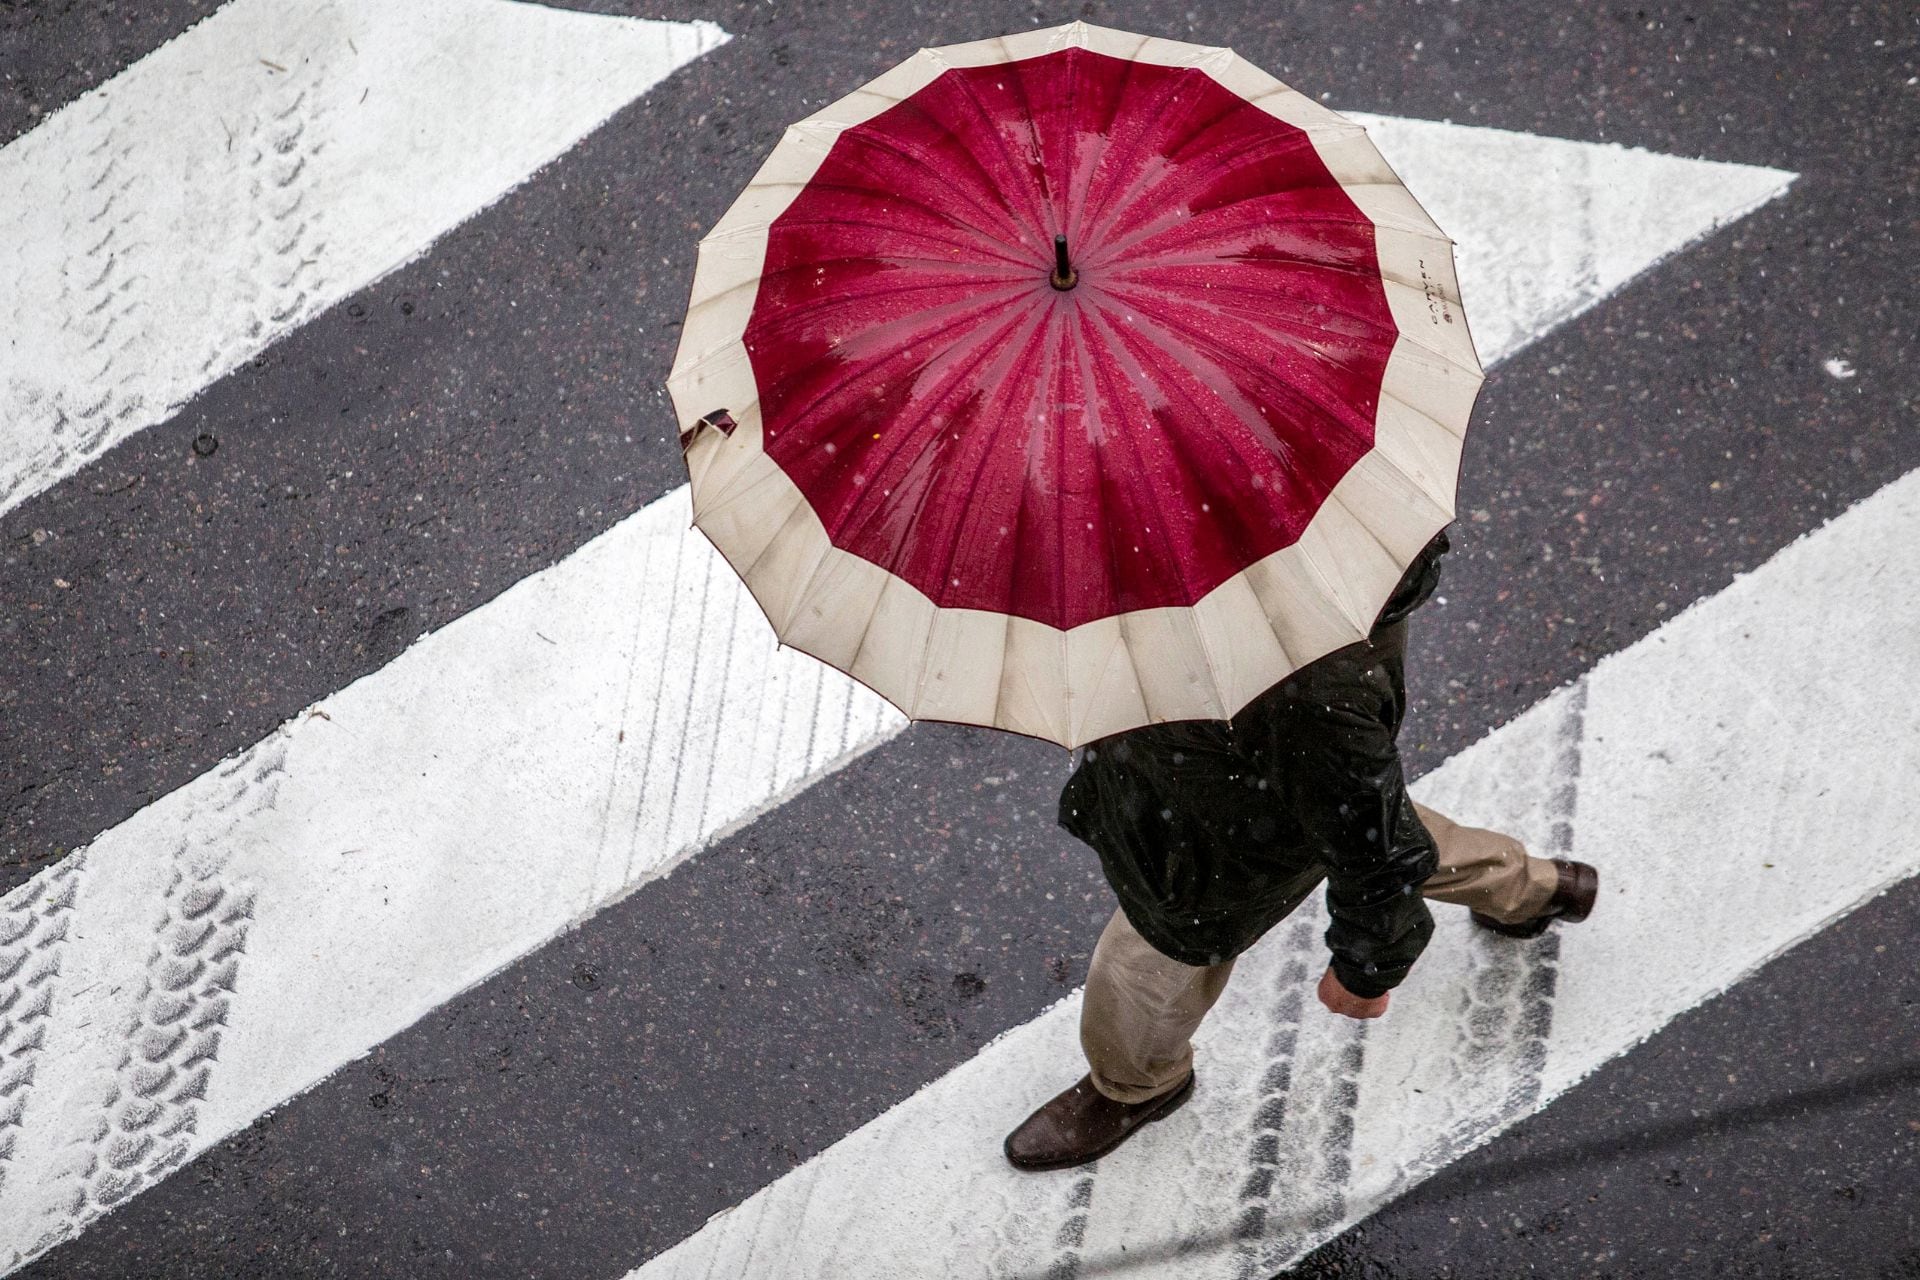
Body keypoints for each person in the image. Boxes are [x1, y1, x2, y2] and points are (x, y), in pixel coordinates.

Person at [1003, 529, 1599, 1171]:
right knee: (1356, 817)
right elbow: (1363, 818)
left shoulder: (1303, 688)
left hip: (1219, 839)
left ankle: (1135, 1084)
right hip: (1249, 785)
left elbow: (1378, 855)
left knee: (1141, 968)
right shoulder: (1301, 548)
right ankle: (1530, 889)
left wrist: (1365, 971)